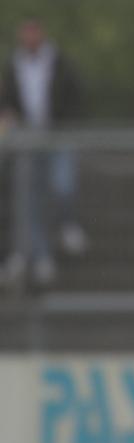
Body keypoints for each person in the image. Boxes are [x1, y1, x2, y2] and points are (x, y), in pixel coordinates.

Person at [0, 17, 85, 287]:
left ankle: (67, 224)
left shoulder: (59, 61)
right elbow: (10, 99)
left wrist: (67, 123)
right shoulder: (14, 64)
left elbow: (74, 94)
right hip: (27, 139)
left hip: (56, 134)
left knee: (63, 185)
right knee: (30, 198)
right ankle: (39, 255)